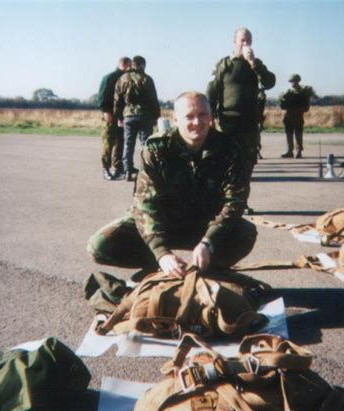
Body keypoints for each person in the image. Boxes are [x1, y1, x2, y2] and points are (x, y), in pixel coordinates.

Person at [87, 91, 257, 280]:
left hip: (205, 223)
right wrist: (162, 253)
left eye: (202, 115)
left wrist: (209, 242)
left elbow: (235, 202)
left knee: (245, 234)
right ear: (176, 120)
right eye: (189, 116)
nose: (197, 122)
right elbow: (145, 206)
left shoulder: (231, 149)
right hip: (163, 222)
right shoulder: (157, 149)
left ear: (211, 117)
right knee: (99, 246)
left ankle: (205, 267)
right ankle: (162, 267)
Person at [207, 27, 275, 214]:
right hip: (228, 122)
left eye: (249, 41)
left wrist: (254, 64)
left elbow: (269, 82)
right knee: (225, 163)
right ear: (234, 41)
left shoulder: (255, 64)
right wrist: (210, 116)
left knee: (247, 163)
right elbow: (212, 92)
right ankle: (223, 202)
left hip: (249, 123)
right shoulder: (224, 64)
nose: (246, 44)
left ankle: (240, 202)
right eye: (242, 40)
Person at [114, 55, 160, 182]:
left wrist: (119, 117)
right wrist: (156, 116)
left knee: (128, 144)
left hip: (128, 116)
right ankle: (146, 170)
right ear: (142, 65)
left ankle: (128, 171)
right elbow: (153, 100)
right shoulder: (147, 79)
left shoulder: (122, 78)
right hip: (145, 116)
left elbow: (117, 101)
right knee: (146, 144)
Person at [98, 57, 131, 180]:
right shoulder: (109, 77)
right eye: (130, 65)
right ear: (125, 64)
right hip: (110, 114)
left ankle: (118, 168)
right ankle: (105, 169)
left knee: (120, 142)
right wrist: (106, 111)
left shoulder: (127, 78)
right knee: (108, 141)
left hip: (123, 115)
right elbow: (102, 96)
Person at [279, 74, 313, 159]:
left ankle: (299, 151)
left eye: (294, 81)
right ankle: (289, 151)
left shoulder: (303, 92)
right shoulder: (288, 92)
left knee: (298, 134)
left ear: (298, 81)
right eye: (292, 82)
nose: (293, 83)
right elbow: (283, 105)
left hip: (298, 115)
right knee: (289, 134)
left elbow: (306, 105)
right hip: (288, 115)